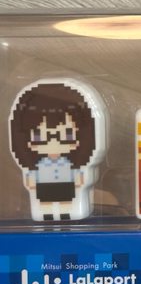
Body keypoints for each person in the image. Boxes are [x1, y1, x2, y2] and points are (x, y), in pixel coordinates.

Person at [9, 80, 106, 221]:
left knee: (66, 204)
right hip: (44, 187)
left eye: (67, 135)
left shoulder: (70, 164)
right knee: (45, 205)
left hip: (67, 186)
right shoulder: (38, 166)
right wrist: (31, 181)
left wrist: (80, 179)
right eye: (39, 137)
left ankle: (64, 213)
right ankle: (47, 215)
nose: (53, 142)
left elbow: (79, 175)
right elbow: (31, 176)